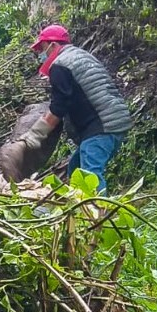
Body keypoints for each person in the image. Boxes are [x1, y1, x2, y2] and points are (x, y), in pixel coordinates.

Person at [19, 24, 131, 193]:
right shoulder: (80, 56)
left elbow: (59, 107)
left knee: (89, 176)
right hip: (115, 120)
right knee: (75, 168)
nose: (41, 55)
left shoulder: (60, 65)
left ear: (53, 45)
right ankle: (82, 213)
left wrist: (36, 134)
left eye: (42, 49)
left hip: (102, 126)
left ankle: (98, 215)